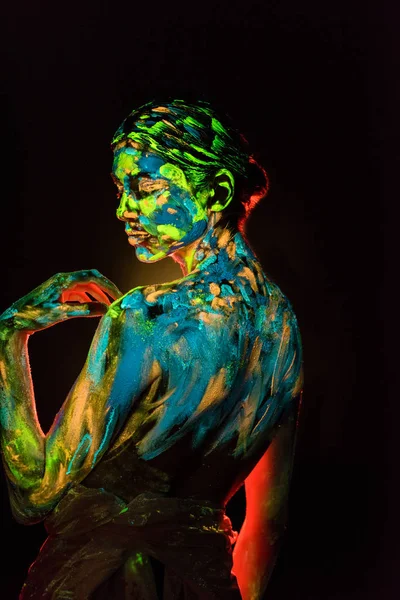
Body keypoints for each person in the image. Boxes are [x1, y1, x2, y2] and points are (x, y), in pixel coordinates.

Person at [0, 99, 303, 599]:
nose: (124, 209)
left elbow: (33, 494)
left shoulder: (147, 317)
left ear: (217, 192)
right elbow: (267, 525)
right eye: (122, 190)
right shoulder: (283, 325)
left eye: (146, 187)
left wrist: (10, 334)